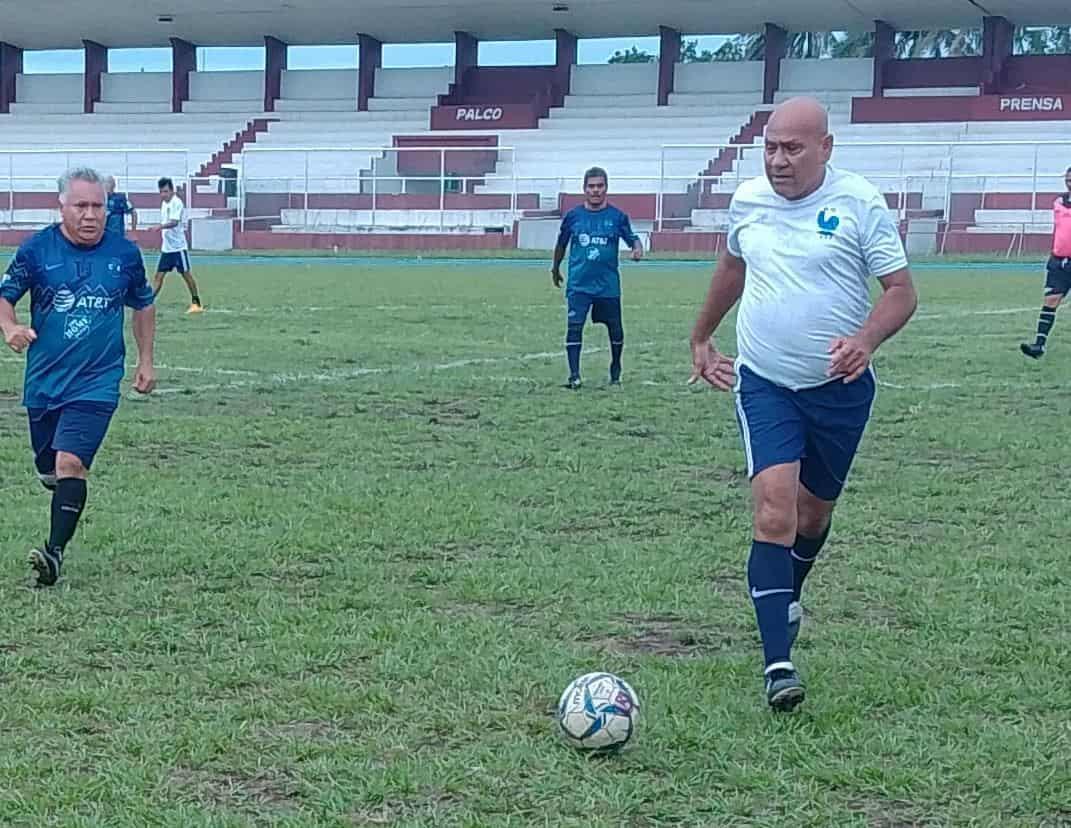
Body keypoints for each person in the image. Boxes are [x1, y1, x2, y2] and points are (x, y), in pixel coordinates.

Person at [688, 98, 917, 711]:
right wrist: (702, 334)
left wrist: (866, 339)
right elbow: (732, 267)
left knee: (813, 516)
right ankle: (777, 666)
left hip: (839, 393)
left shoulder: (859, 203)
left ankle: (787, 591)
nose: (778, 160)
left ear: (826, 147)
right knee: (773, 510)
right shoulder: (748, 201)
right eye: (769, 147)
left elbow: (901, 292)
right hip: (764, 382)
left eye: (792, 148)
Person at [0, 167, 156, 587]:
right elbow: (5, 296)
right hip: (45, 381)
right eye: (81, 206)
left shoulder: (123, 255)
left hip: (98, 381)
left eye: (98, 206)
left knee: (71, 463)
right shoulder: (37, 250)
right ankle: (56, 483)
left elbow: (142, 303)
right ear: (62, 207)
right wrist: (10, 328)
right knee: (50, 467)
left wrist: (145, 360)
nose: (90, 215)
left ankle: (53, 554)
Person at [552, 167, 642, 388]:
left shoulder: (617, 217)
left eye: (599, 186)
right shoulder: (573, 217)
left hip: (607, 286)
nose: (595, 190)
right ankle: (574, 376)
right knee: (574, 327)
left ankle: (616, 370)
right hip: (579, 284)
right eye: (591, 186)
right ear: (584, 189)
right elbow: (561, 244)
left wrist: (637, 249)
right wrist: (555, 268)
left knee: (615, 329)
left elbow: (632, 238)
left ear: (606, 188)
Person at [1020, 166, 1071, 359]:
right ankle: (1039, 345)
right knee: (1051, 301)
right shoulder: (1058, 202)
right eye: (1067, 179)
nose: (1069, 183)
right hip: (1059, 262)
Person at [152, 176, 204, 313]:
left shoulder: (177, 203)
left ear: (172, 191)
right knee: (158, 276)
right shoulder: (164, 204)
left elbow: (174, 222)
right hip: (167, 249)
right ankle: (148, 302)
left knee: (186, 275)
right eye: (161, 192)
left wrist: (160, 227)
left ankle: (196, 301)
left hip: (178, 248)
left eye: (166, 191)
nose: (163, 194)